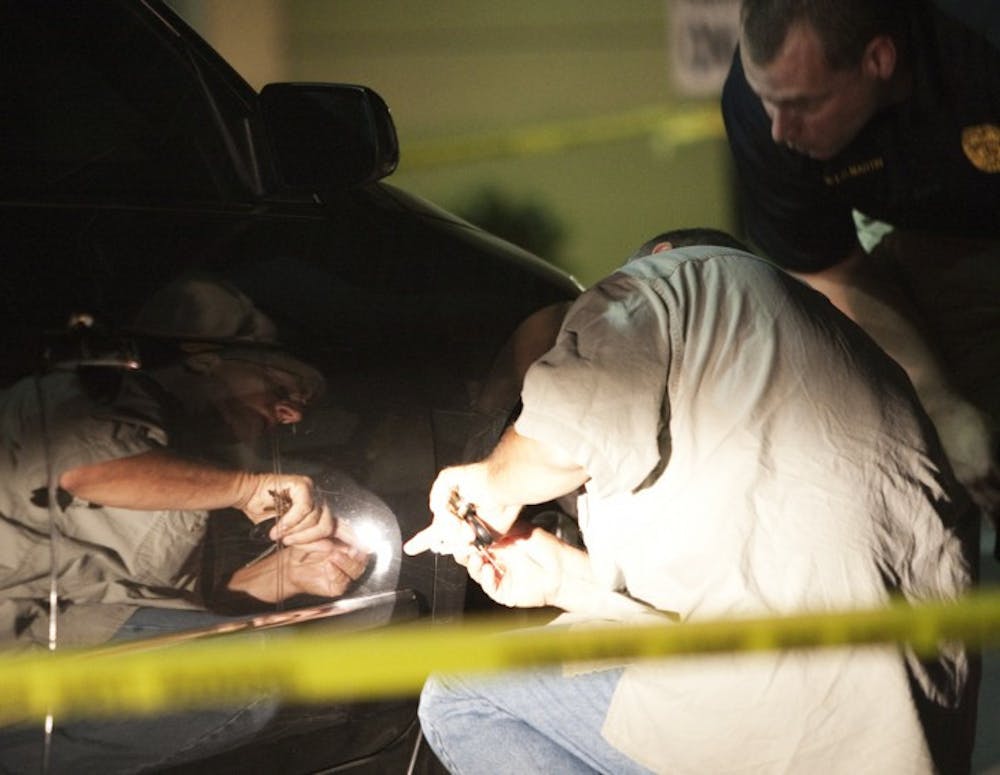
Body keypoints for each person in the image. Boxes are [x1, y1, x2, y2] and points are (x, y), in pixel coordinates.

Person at [404, 230, 979, 774]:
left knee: (464, 697)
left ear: (657, 251)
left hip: (781, 716)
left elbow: (569, 428)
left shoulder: (669, 279)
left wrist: (486, 487)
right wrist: (562, 580)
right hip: (891, 738)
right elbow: (742, 590)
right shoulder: (838, 370)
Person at [0, 274, 369, 772]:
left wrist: (284, 575)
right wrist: (248, 489)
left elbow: (152, 612)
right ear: (202, 355)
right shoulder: (92, 390)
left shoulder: (190, 463)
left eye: (301, 408)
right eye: (282, 387)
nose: (288, 415)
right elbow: (88, 469)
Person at [721, 0, 1000, 544]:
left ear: (879, 58)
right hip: (926, 236)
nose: (781, 130)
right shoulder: (762, 111)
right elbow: (831, 268)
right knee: (966, 437)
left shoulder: (979, 38)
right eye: (767, 100)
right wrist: (940, 403)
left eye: (803, 104)